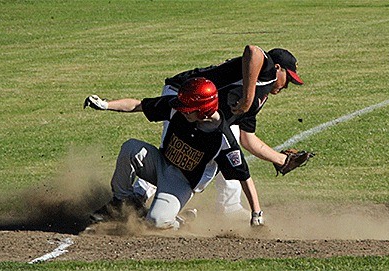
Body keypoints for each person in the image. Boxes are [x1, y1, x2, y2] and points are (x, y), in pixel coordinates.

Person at [85, 45, 307, 218]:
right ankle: (135, 198)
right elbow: (253, 51)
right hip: (186, 95)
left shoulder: (262, 96)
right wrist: (247, 99)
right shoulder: (265, 73)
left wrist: (280, 159)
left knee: (218, 150)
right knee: (176, 156)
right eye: (289, 78)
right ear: (277, 68)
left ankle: (225, 207)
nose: (287, 85)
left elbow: (246, 139)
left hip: (208, 112)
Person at [84, 77, 264, 229]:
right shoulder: (176, 109)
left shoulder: (223, 139)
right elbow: (139, 105)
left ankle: (180, 221)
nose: (181, 110)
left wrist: (256, 213)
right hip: (160, 164)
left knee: (156, 222)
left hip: (181, 183)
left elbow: (244, 175)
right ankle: (121, 203)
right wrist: (105, 105)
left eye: (187, 108)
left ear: (203, 110)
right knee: (131, 148)